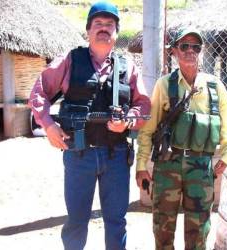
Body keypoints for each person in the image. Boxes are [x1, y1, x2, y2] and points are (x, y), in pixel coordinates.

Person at [29, 1, 150, 250]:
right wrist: (49, 125)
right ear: (88, 30)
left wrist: (127, 121)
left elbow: (143, 105)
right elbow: (38, 93)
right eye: (98, 24)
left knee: (116, 222)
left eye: (109, 25)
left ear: (116, 32)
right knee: (76, 221)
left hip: (116, 156)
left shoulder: (128, 67)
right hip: (78, 154)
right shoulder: (70, 60)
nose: (103, 29)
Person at [135, 27, 227, 250]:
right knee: (162, 227)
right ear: (174, 51)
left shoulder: (215, 87)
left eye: (196, 47)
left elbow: (226, 130)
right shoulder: (164, 85)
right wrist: (142, 164)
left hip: (201, 167)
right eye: (184, 46)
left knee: (199, 230)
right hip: (167, 165)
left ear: (200, 51)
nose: (190, 51)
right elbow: (148, 128)